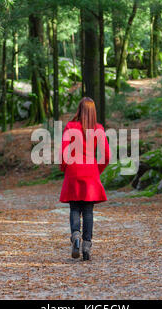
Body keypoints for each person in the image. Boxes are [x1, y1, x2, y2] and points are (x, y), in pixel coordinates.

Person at [59, 97, 111, 261]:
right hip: (90, 171)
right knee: (88, 211)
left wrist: (64, 168)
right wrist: (97, 170)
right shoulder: (99, 129)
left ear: (79, 110)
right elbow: (106, 156)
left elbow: (63, 153)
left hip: (74, 170)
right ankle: (87, 245)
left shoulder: (70, 126)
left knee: (74, 207)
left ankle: (75, 235)